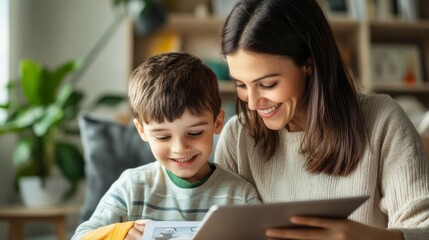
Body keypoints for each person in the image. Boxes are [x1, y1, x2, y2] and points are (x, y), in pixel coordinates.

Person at [214, 0, 429, 239]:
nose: (252, 103)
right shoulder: (237, 137)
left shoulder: (382, 122)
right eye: (240, 84)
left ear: (308, 62)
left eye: (267, 84)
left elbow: (423, 229)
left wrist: (363, 237)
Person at [72, 52, 261, 240]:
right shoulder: (131, 187)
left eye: (194, 133)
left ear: (217, 123)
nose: (180, 148)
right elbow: (80, 237)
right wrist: (121, 233)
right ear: (142, 131)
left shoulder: (240, 196)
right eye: (163, 137)